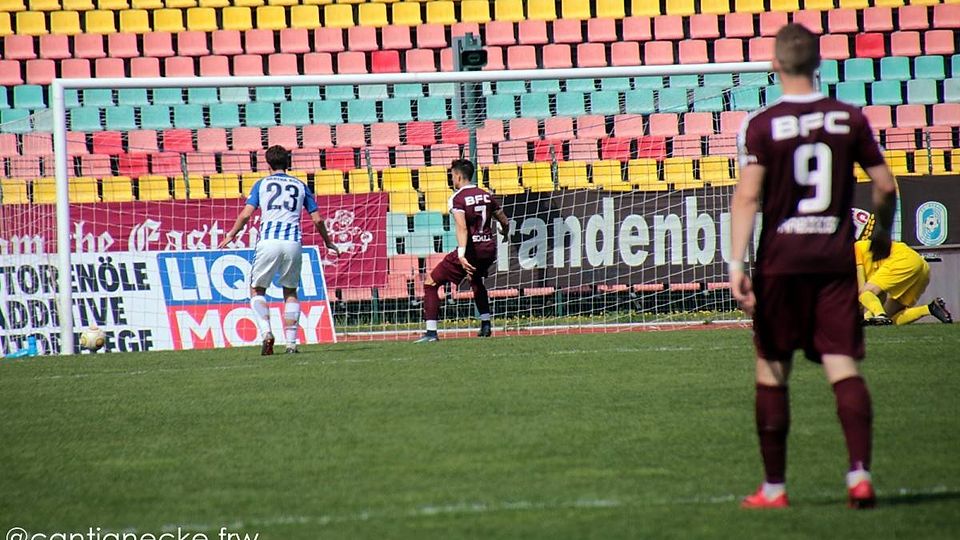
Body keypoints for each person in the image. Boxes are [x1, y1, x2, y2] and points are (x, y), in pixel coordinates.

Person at [729, 24, 898, 509]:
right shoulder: (850, 118)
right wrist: (882, 234)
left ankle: (774, 489)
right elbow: (885, 186)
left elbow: (748, 196)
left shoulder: (762, 125)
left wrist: (736, 263)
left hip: (781, 261)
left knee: (772, 368)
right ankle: (859, 475)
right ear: (819, 63)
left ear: (775, 65)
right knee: (842, 364)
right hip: (833, 260)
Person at [219, 145, 339, 355]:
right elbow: (318, 219)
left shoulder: (262, 184)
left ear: (268, 164)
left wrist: (231, 235)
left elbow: (246, 214)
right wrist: (328, 241)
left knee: (257, 290)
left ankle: (266, 332)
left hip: (268, 241)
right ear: (288, 162)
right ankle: (291, 344)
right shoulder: (300, 185)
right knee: (290, 291)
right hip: (293, 243)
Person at [416, 159, 510, 343]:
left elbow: (462, 227)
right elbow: (504, 220)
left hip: (470, 250)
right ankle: (486, 323)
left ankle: (431, 332)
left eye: (452, 176)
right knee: (475, 279)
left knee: (430, 283)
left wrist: (461, 254)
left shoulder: (457, 198)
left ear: (458, 176)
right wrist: (505, 233)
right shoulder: (486, 195)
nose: (452, 179)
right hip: (488, 248)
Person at [852, 215, 953, 326]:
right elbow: (879, 296)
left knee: (866, 294)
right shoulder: (869, 259)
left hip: (902, 260)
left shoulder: (854, 249)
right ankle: (930, 308)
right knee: (889, 316)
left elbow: (862, 290)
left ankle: (880, 315)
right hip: (920, 266)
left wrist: (866, 315)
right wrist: (868, 317)